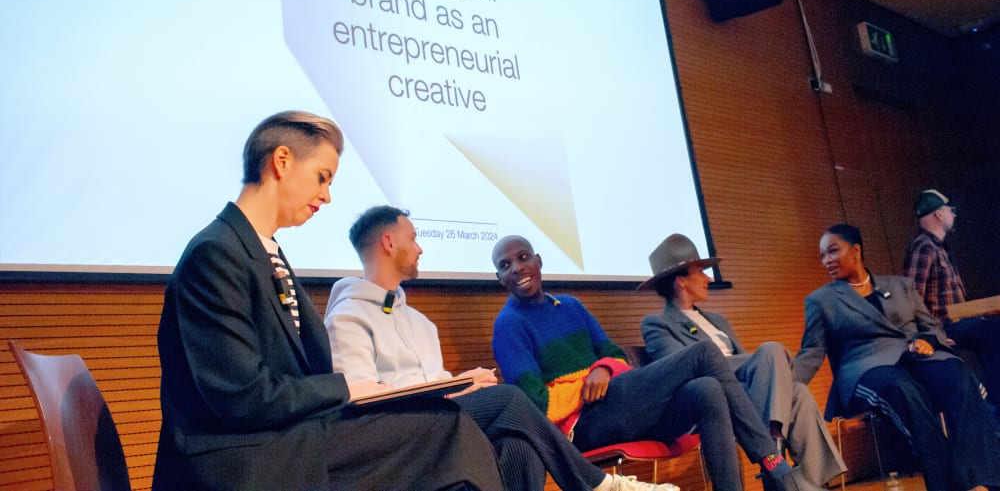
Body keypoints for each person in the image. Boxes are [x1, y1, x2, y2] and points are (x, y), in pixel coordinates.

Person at [154, 111, 503, 491]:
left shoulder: (263, 250)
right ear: (282, 161)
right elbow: (243, 397)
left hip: (286, 436)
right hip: (237, 458)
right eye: (322, 177)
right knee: (444, 429)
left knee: (445, 421)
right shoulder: (216, 253)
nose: (327, 195)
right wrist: (348, 388)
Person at [325, 205, 677, 491]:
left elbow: (438, 385)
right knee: (508, 397)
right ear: (388, 243)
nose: (420, 248)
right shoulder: (348, 315)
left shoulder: (420, 322)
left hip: (442, 421)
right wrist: (446, 389)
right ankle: (597, 484)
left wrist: (464, 384)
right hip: (396, 433)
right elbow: (357, 398)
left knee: (520, 447)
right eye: (414, 238)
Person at [491, 235, 801, 491]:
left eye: (523, 257)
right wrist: (589, 381)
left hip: (619, 406)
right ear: (499, 278)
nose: (517, 268)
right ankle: (773, 463)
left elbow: (615, 354)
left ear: (539, 261)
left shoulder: (570, 306)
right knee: (704, 353)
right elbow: (535, 404)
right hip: (583, 426)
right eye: (505, 266)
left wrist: (604, 368)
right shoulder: (508, 325)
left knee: (707, 389)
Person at [794, 223, 1000, 491]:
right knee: (902, 389)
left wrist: (927, 340)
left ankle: (978, 483)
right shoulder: (821, 301)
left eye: (833, 251)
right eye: (823, 255)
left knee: (957, 374)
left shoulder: (901, 285)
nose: (827, 260)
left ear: (856, 251)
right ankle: (947, 484)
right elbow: (811, 350)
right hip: (866, 369)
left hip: (915, 357)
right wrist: (786, 387)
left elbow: (931, 326)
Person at [639, 233, 845, 491]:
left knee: (797, 391)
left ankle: (806, 482)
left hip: (748, 394)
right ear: (681, 281)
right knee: (772, 353)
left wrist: (765, 364)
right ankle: (773, 455)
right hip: (713, 399)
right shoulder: (657, 325)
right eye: (700, 272)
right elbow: (683, 370)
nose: (709, 279)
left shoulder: (717, 320)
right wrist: (764, 360)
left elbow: (758, 371)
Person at [903, 188, 1000, 407]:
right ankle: (994, 408)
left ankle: (991, 406)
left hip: (960, 323)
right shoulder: (924, 248)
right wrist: (930, 336)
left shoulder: (940, 249)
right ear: (938, 214)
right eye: (951, 210)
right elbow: (911, 298)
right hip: (946, 326)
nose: (954, 215)